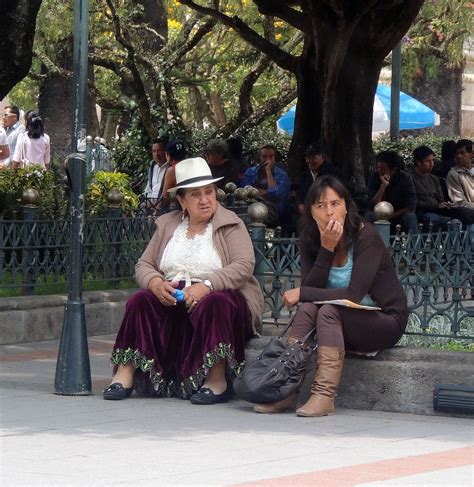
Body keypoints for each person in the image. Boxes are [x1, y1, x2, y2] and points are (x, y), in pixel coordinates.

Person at [104, 157, 264, 403]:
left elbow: (244, 265)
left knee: (216, 304)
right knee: (140, 301)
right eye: (196, 195)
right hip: (173, 297)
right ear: (181, 200)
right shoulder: (168, 225)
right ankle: (125, 374)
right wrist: (156, 283)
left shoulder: (230, 223)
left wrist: (206, 286)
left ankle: (216, 379)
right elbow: (144, 264)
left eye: (209, 192)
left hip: (220, 297)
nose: (204, 200)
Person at [254, 175, 408, 416]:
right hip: (340, 325)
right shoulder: (309, 237)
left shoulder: (366, 237)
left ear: (347, 206)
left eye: (335, 204)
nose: (330, 212)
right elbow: (309, 296)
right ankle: (286, 391)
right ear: (311, 212)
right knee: (308, 310)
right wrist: (326, 248)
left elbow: (353, 295)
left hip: (384, 321)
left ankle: (324, 396)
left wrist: (303, 292)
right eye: (321, 206)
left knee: (327, 311)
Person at [410, 145, 467, 229]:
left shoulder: (434, 179)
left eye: (433, 160)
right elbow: (413, 202)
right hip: (423, 214)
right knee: (454, 223)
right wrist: (436, 205)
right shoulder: (409, 178)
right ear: (418, 162)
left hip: (439, 211)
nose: (432, 164)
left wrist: (446, 204)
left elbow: (441, 200)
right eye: (428, 161)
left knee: (465, 216)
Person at [366, 150, 418, 233]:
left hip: (398, 215)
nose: (380, 171)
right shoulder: (375, 177)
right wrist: (383, 187)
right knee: (369, 215)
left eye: (382, 168)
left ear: (393, 170)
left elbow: (410, 206)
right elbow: (373, 205)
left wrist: (390, 215)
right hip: (379, 216)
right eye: (378, 168)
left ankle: (415, 245)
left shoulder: (404, 178)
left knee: (410, 217)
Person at [240, 144, 290, 226]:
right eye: (264, 156)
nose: (267, 160)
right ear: (259, 157)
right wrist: (266, 192)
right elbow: (246, 191)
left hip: (273, 210)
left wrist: (268, 171)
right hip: (251, 206)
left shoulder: (282, 175)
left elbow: (275, 194)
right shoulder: (250, 172)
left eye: (271, 157)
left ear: (275, 158)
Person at [296, 142, 341, 215]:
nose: (310, 161)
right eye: (308, 158)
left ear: (322, 157)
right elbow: (300, 193)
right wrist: (300, 204)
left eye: (313, 158)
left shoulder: (333, 173)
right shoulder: (305, 174)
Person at [142, 137, 169, 212]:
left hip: (163, 207)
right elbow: (148, 189)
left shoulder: (169, 169)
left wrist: (156, 205)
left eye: (159, 150)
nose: (156, 154)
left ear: (165, 152)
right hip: (150, 204)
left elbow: (167, 195)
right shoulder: (153, 167)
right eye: (154, 151)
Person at [159, 139, 187, 209]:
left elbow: (165, 196)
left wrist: (155, 210)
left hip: (180, 208)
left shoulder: (172, 170)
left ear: (168, 155)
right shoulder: (192, 165)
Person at [446, 139, 474, 210]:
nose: (459, 156)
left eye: (462, 153)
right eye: (457, 153)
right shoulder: (453, 174)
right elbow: (459, 202)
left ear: (472, 154)